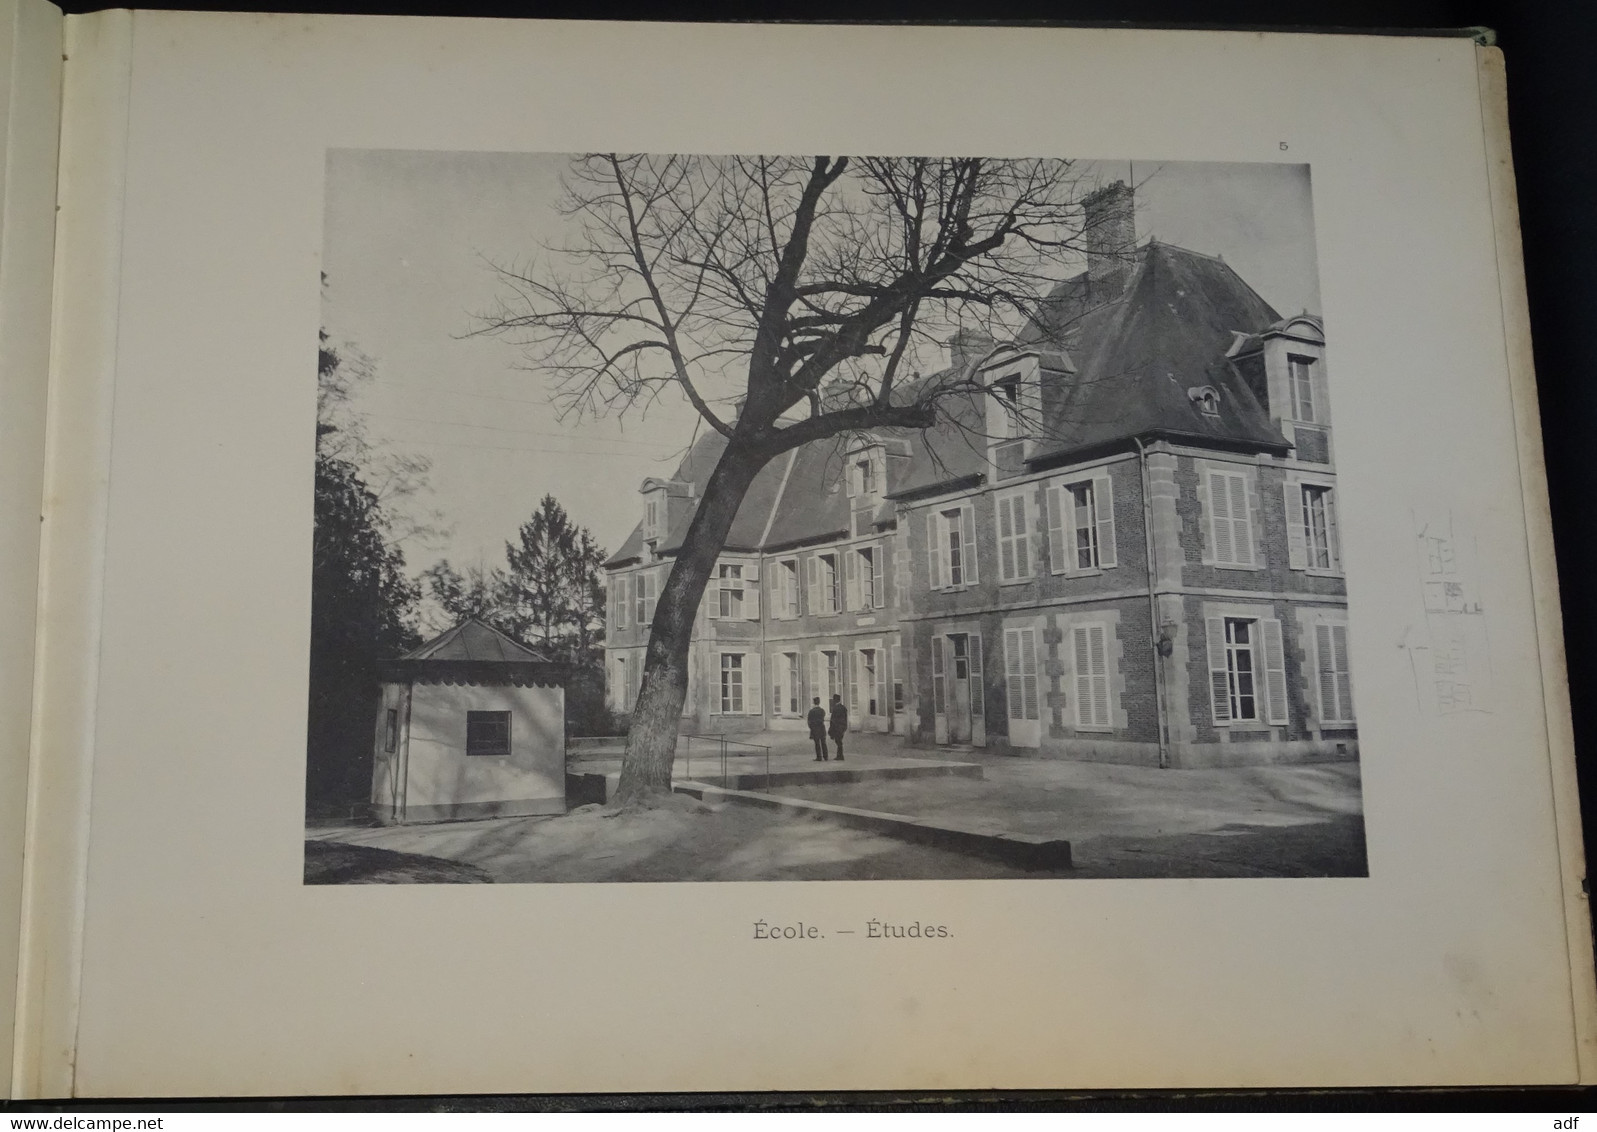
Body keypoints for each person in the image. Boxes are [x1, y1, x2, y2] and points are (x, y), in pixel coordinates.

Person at [806, 697, 828, 761]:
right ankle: (825, 757)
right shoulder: (822, 710)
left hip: (815, 729)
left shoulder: (811, 711)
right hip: (822, 728)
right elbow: (823, 718)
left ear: (814, 702)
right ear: (819, 702)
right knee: (823, 743)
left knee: (817, 743)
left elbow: (809, 721)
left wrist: (812, 728)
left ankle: (819, 757)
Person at [828, 694, 849, 762]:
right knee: (839, 741)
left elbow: (833, 720)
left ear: (835, 700)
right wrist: (845, 727)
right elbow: (845, 718)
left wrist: (831, 730)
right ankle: (839, 755)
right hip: (842, 727)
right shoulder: (843, 708)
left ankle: (840, 756)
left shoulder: (835, 708)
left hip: (837, 728)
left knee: (838, 741)